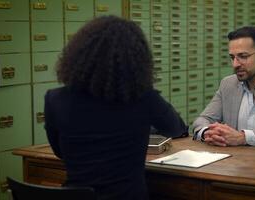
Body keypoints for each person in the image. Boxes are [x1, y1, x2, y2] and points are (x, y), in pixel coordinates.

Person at [44, 16, 188, 200]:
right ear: (136, 61)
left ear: (79, 56)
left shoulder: (55, 99)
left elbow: (60, 152)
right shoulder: (143, 97)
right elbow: (176, 128)